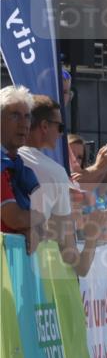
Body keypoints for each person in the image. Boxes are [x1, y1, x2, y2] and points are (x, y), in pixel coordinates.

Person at [19, 92, 102, 275]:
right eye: (60, 126)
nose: (61, 133)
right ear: (44, 126)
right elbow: (73, 259)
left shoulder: (6, 156)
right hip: (33, 278)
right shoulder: (55, 172)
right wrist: (92, 236)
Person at [1, 86, 44, 249]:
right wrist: (39, 218)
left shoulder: (16, 164)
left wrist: (31, 226)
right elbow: (15, 218)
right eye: (15, 115)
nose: (24, 123)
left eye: (27, 117)